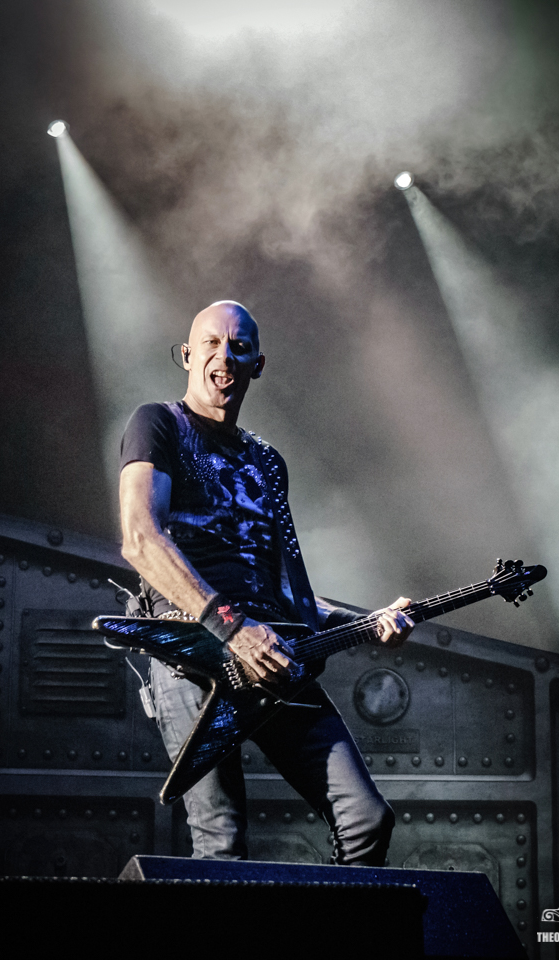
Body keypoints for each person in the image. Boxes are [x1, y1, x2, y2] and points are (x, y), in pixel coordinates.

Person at [119, 300, 414, 865]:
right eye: (211, 343)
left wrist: (365, 624)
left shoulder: (267, 461)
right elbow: (140, 539)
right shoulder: (158, 423)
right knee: (221, 843)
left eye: (239, 347)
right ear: (187, 355)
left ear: (258, 364)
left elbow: (288, 595)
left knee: (366, 819)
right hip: (193, 655)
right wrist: (232, 628)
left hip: (273, 650)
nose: (224, 356)